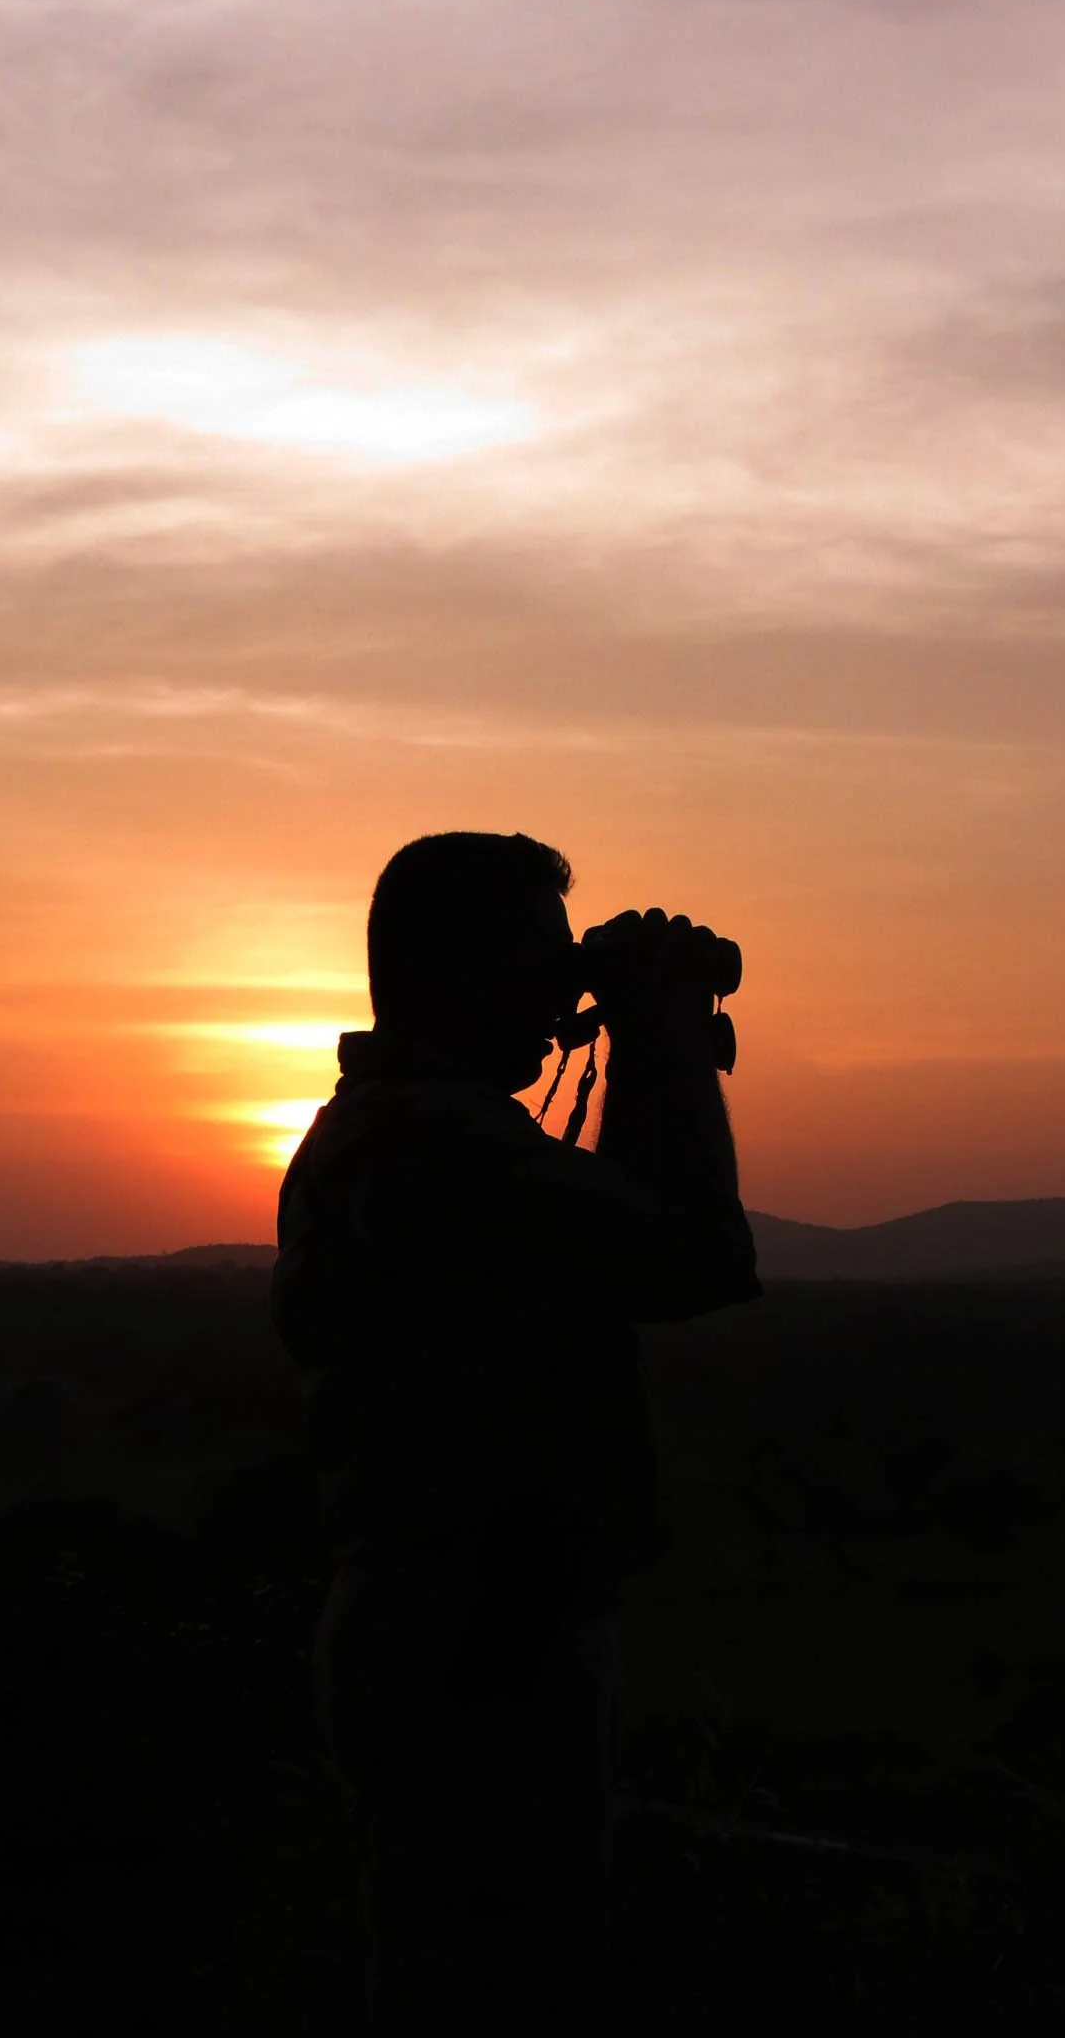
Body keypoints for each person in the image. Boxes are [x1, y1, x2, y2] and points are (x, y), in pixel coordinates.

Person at [270, 831, 761, 2035]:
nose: (563, 991)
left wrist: (656, 1036)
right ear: (448, 967)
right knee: (491, 1988)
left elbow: (632, 1237)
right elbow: (689, 1254)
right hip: (468, 1644)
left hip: (480, 1629)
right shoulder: (427, 1143)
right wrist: (663, 1038)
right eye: (540, 958)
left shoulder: (421, 1133)